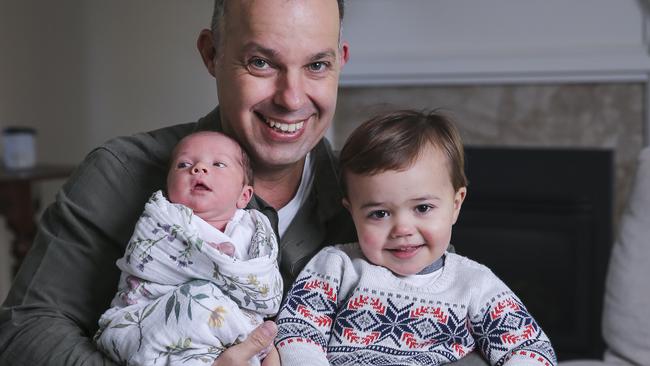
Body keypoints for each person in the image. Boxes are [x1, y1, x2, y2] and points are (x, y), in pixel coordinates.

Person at [0, 1, 355, 365]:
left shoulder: (378, 199)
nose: (292, 98)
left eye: (316, 65)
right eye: (261, 62)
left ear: (340, 61)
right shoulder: (118, 173)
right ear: (211, 54)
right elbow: (24, 332)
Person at [275, 110, 557, 366]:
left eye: (422, 208)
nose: (402, 229)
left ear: (455, 205)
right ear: (352, 213)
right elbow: (297, 332)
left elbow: (531, 349)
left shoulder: (474, 284)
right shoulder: (336, 268)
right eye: (379, 214)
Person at [94, 131, 283, 365]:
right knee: (197, 298)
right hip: (160, 317)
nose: (199, 168)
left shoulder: (254, 228)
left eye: (218, 164)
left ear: (243, 196)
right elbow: (146, 255)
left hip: (237, 334)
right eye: (184, 164)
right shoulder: (164, 218)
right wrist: (211, 260)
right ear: (169, 187)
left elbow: (265, 283)